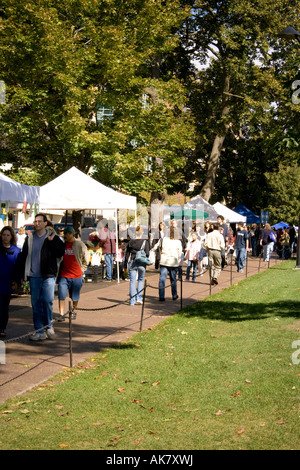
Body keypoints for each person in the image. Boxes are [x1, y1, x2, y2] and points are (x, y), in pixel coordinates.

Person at [18, 213, 65, 341]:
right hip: (34, 275)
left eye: (40, 221)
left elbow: (61, 252)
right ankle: (39, 330)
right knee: (35, 303)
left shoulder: (52, 237)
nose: (37, 223)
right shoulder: (30, 238)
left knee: (47, 300)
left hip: (48, 274)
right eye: (35, 221)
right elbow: (24, 256)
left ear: (45, 223)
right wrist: (21, 275)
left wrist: (52, 242)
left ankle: (48, 325)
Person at [57, 226, 89, 321]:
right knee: (61, 294)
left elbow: (86, 258)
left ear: (72, 234)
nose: (65, 236)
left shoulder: (79, 244)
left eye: (67, 234)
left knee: (74, 296)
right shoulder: (63, 245)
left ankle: (73, 311)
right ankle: (61, 314)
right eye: (64, 234)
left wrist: (82, 269)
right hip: (64, 275)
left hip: (76, 275)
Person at [0, 227, 21, 337]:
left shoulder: (16, 251)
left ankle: (2, 327)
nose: (5, 237)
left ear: (12, 236)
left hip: (8, 282)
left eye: (8, 235)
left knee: (5, 307)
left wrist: (16, 281)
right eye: (4, 235)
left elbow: (18, 268)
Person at [154, 225, 182, 301]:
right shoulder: (178, 242)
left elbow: (155, 247)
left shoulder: (163, 239)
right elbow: (180, 253)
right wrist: (177, 258)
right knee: (173, 279)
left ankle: (161, 296)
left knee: (162, 279)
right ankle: (174, 295)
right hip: (173, 262)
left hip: (164, 261)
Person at [124, 226, 150, 305]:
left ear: (135, 233)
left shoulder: (131, 242)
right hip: (141, 262)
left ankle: (132, 300)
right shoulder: (145, 242)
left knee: (132, 281)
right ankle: (139, 298)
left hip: (133, 261)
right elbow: (147, 253)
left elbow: (127, 254)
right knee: (141, 280)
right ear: (142, 233)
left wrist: (125, 265)